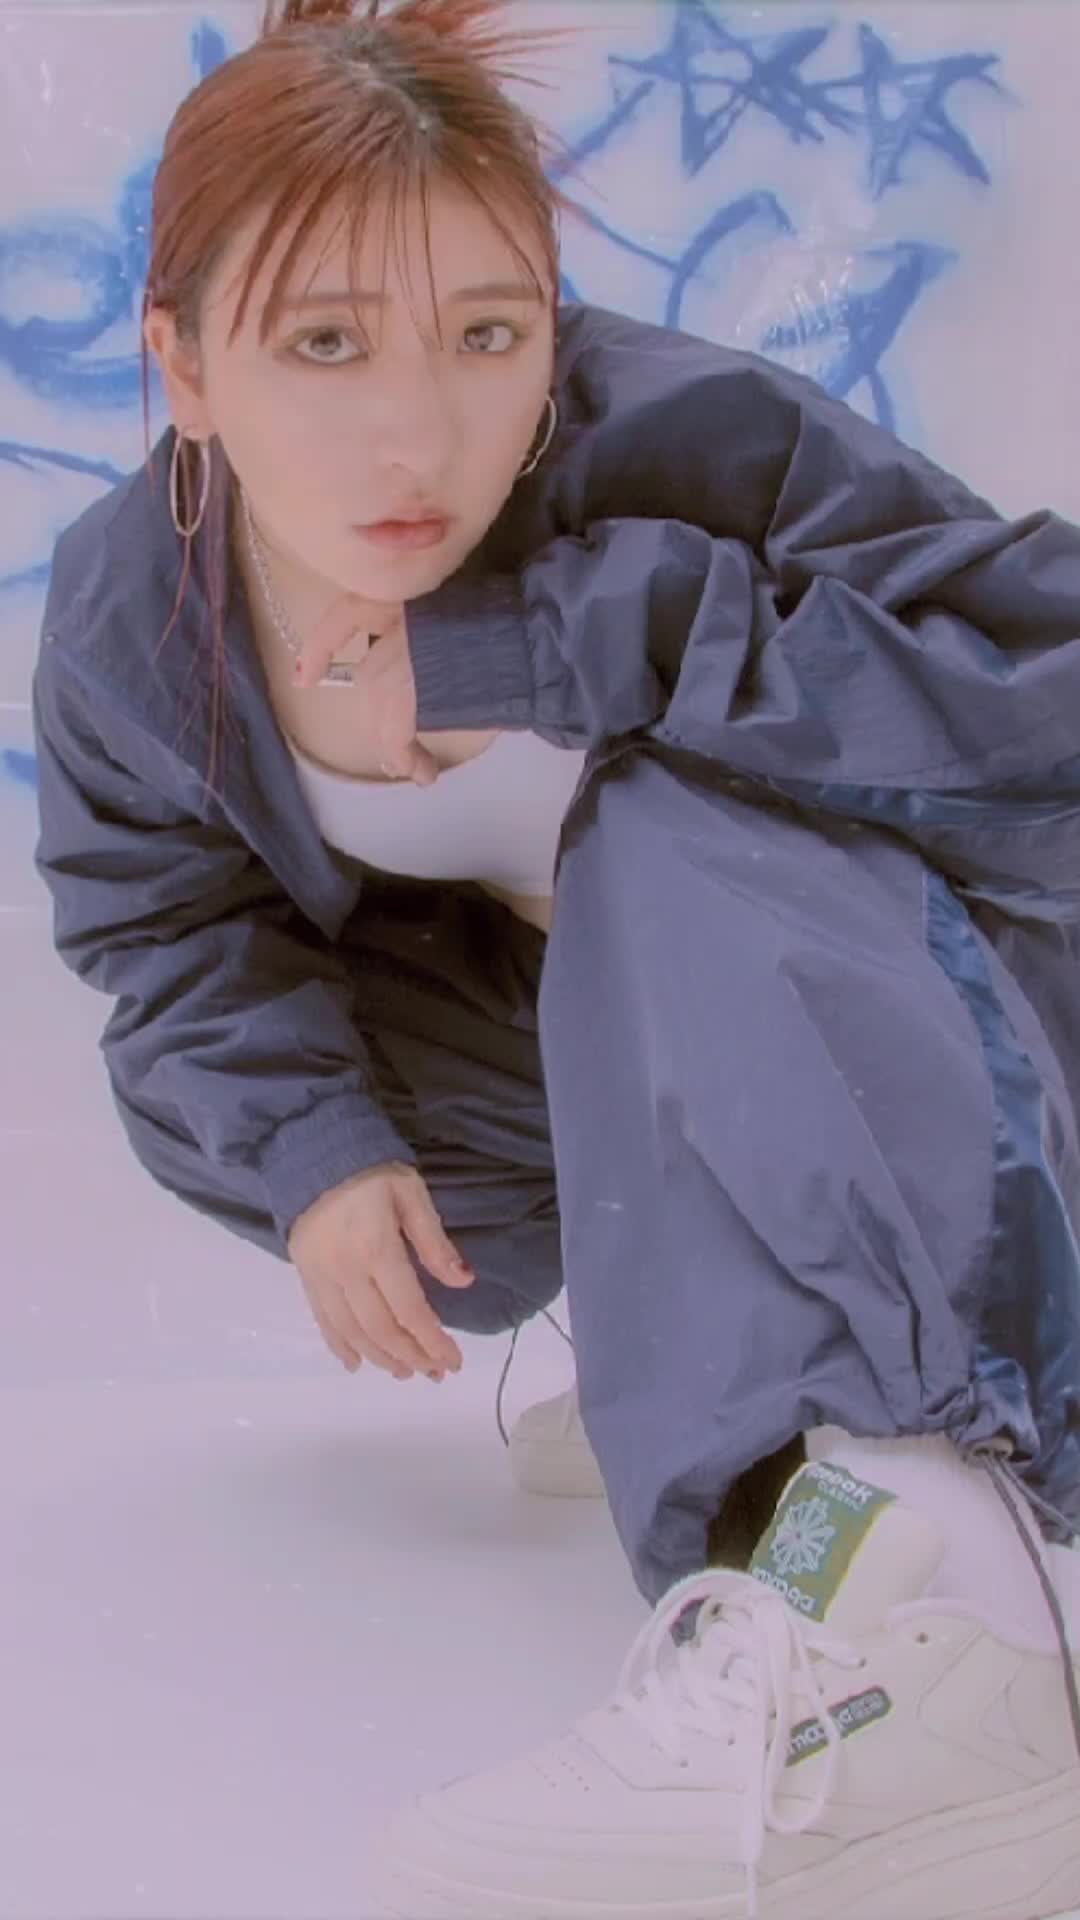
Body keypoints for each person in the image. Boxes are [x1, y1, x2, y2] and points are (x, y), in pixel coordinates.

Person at [31, 0, 1080, 1913]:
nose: (418, 432)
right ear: (181, 363)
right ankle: (702, 1357)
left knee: (661, 812)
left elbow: (1048, 692)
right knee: (256, 1074)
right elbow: (160, 922)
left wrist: (586, 636)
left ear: (553, 321)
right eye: (323, 343)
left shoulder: (669, 442)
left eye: (487, 333)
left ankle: (956, 1629)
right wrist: (315, 1151)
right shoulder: (135, 618)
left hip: (971, 1053)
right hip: (627, 1097)